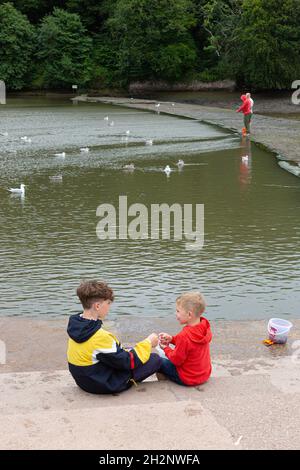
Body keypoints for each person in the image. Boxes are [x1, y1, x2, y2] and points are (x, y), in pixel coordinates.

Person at [67, 280, 161, 394]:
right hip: (101, 384)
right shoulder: (99, 336)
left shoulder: (77, 326)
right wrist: (149, 342)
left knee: (122, 351)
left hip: (83, 380)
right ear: (97, 306)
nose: (109, 308)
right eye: (108, 304)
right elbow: (128, 362)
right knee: (155, 359)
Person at [157, 292, 212, 386]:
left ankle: (165, 382)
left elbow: (176, 360)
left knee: (158, 361)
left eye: (178, 311)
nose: (176, 314)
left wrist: (165, 348)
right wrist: (171, 339)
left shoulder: (184, 336)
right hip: (204, 375)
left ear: (189, 314)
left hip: (188, 378)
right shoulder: (204, 326)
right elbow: (190, 344)